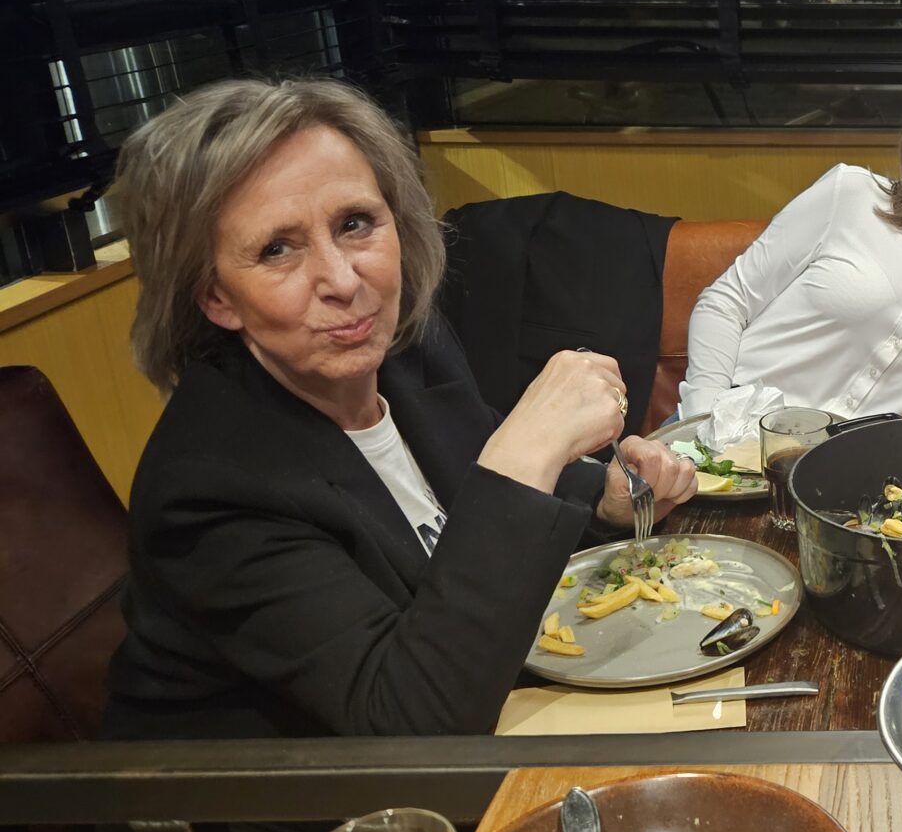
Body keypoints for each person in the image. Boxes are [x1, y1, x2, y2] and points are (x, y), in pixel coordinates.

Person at [103, 79, 697, 746]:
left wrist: (605, 501)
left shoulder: (407, 351)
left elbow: (475, 526)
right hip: (290, 801)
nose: (343, 280)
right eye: (277, 249)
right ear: (217, 298)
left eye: (355, 224)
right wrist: (528, 444)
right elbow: (415, 723)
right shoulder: (209, 489)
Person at [681, 50, 902, 418]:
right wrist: (704, 422)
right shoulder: (850, 195)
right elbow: (726, 302)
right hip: (729, 432)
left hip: (853, 457)